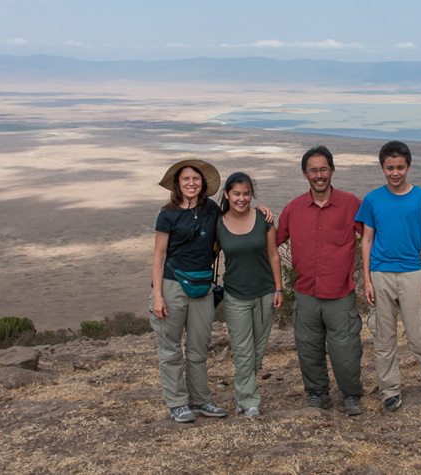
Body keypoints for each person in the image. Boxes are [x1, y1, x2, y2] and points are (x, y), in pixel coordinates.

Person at [356, 140, 421, 412]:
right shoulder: (373, 199)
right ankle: (390, 390)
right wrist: (366, 279)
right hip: (380, 274)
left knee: (420, 334)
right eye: (389, 168)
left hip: (413, 272)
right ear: (382, 168)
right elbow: (366, 240)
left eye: (400, 167)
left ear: (408, 167)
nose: (395, 173)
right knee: (383, 337)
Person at [276, 145, 364, 416]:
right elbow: (272, 242)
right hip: (305, 294)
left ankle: (351, 395)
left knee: (346, 350)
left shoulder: (351, 204)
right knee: (308, 347)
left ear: (332, 171)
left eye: (323, 169)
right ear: (305, 174)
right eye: (313, 170)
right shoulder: (293, 209)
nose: (319, 175)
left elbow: (373, 238)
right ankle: (317, 394)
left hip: (340, 294)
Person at [150, 159, 228, 423]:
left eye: (196, 179)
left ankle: (200, 400)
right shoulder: (167, 214)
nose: (192, 183)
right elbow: (159, 255)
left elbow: (237, 215)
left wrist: (261, 210)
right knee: (170, 348)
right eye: (186, 179)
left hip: (202, 286)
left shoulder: (212, 209)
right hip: (172, 284)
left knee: (198, 348)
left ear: (203, 183)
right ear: (178, 184)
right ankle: (177, 403)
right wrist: (158, 295)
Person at [217, 172, 282, 418]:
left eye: (246, 194)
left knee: (258, 349)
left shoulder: (264, 219)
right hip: (235, 296)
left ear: (251, 195)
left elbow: (274, 254)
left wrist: (279, 288)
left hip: (265, 292)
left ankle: (244, 390)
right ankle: (249, 400)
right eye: (236, 194)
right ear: (227, 195)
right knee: (243, 350)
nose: (241, 199)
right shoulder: (218, 223)